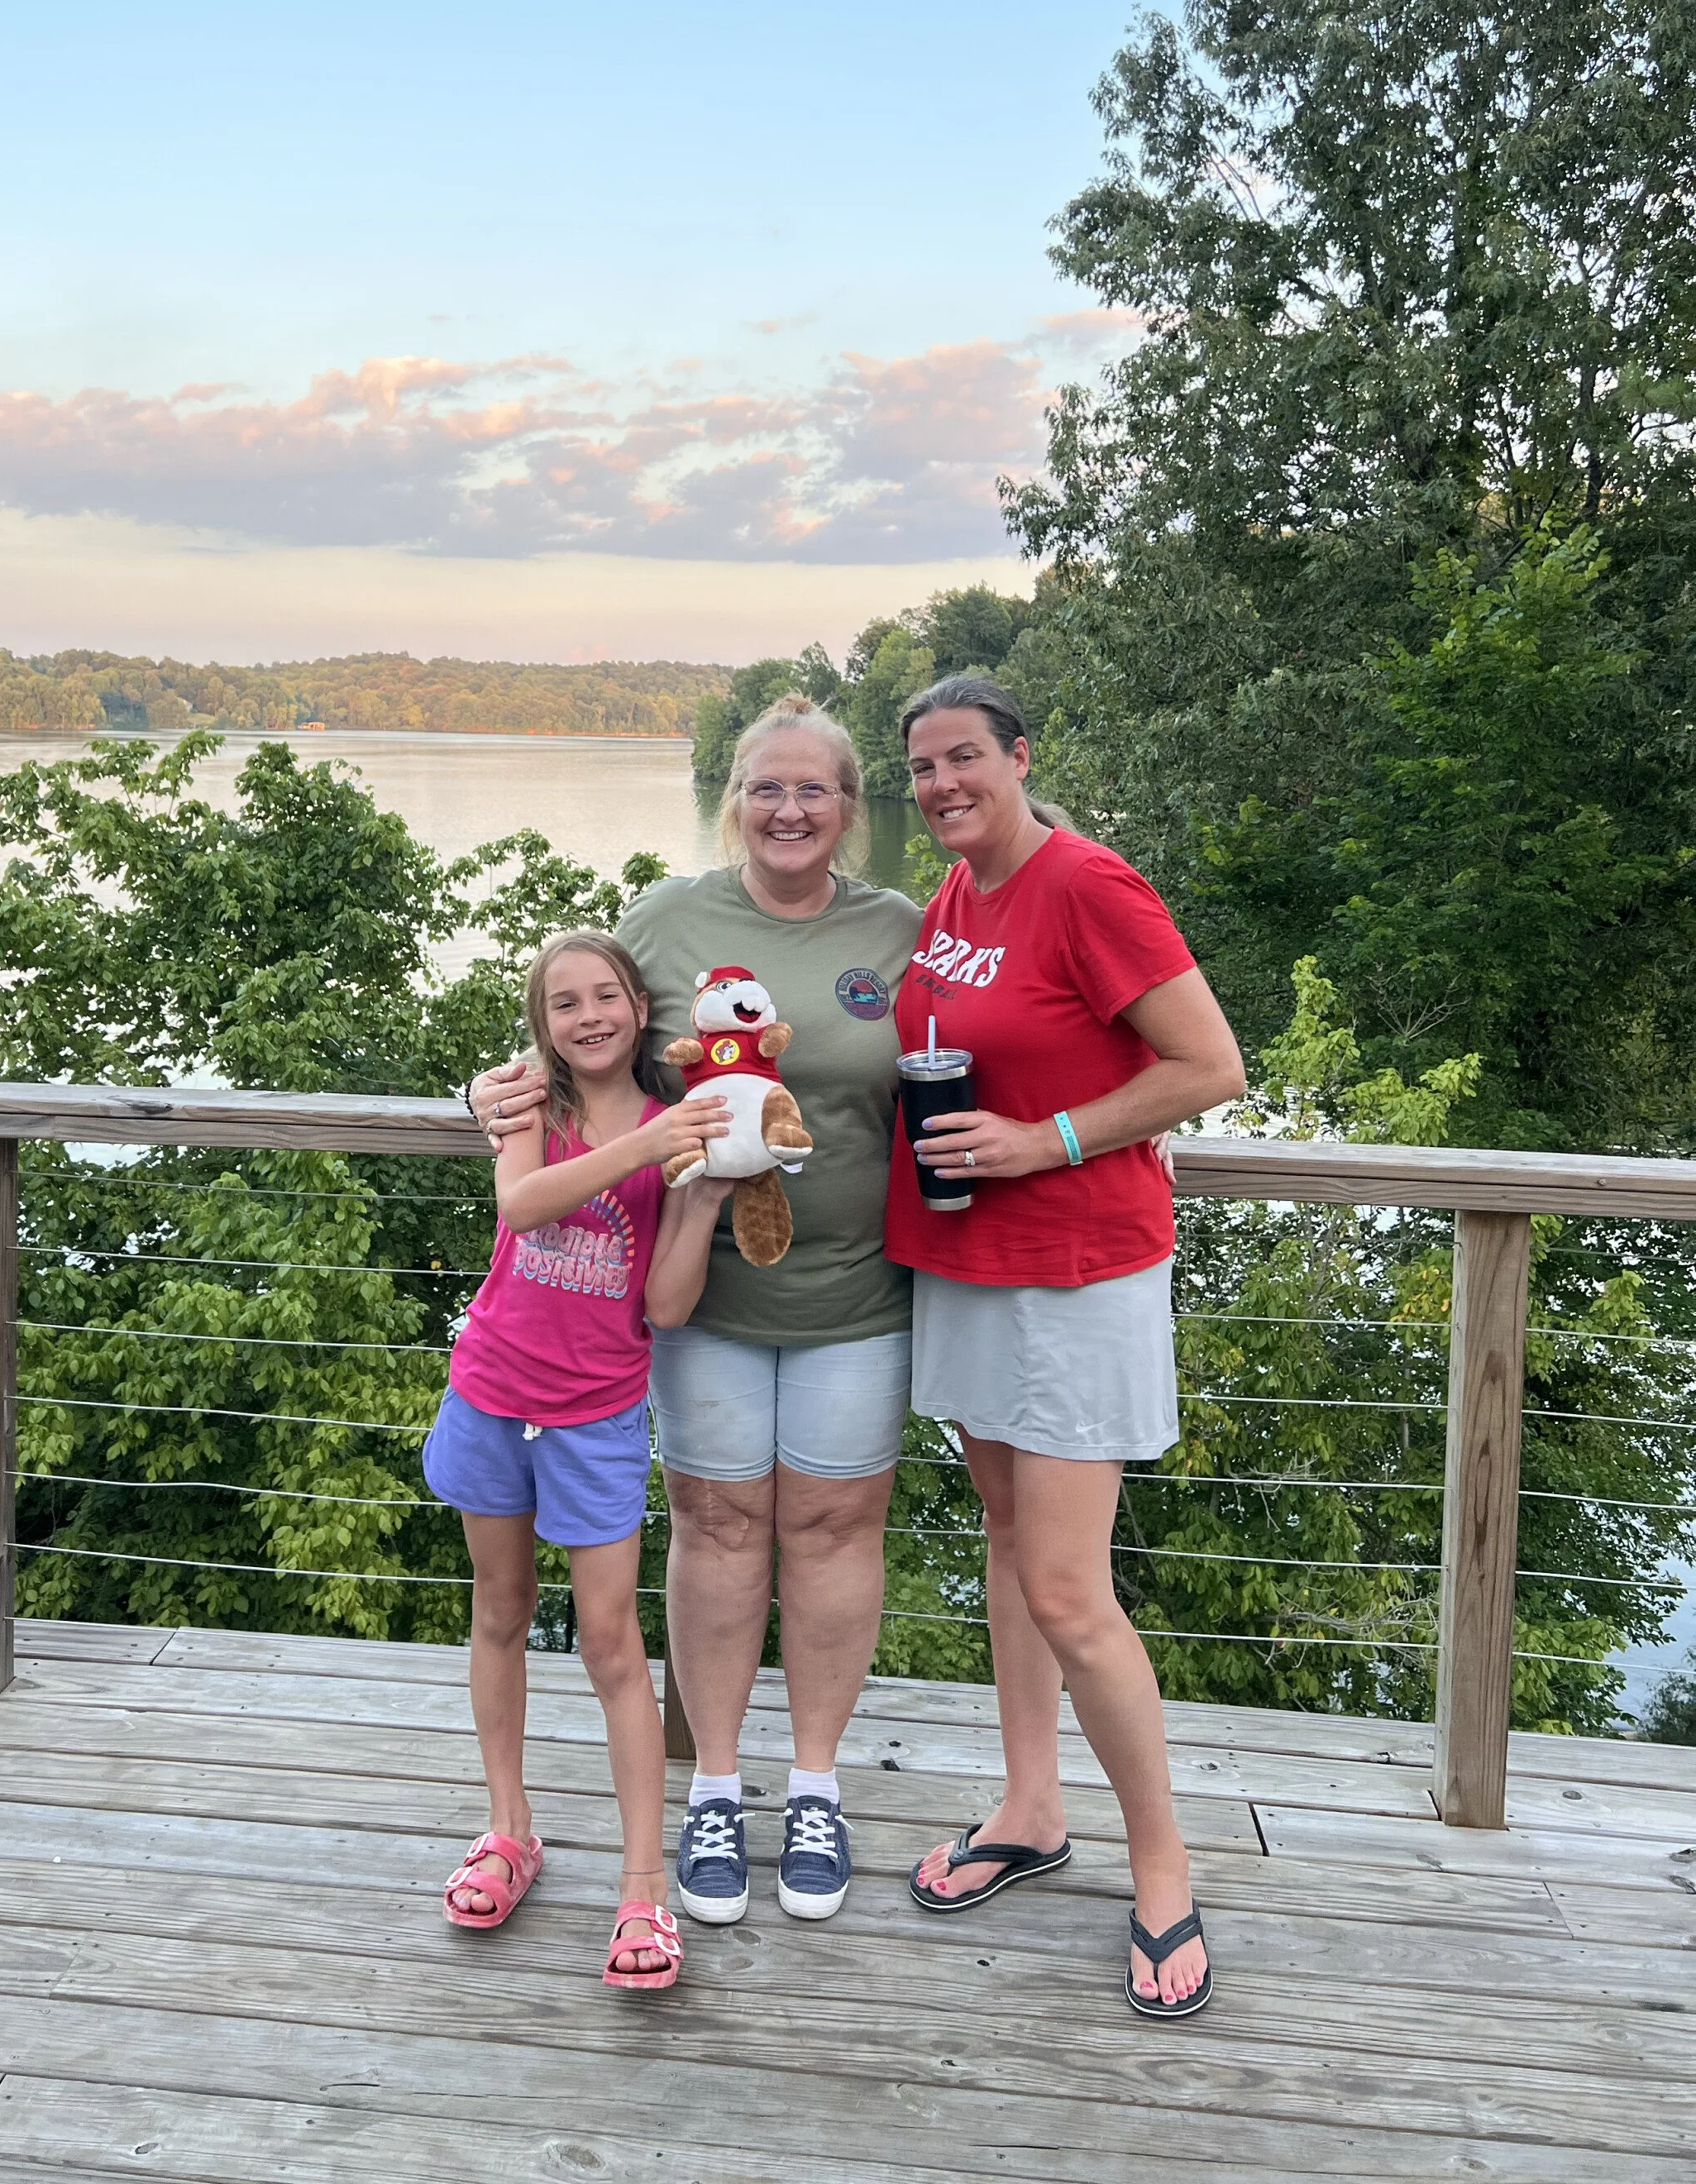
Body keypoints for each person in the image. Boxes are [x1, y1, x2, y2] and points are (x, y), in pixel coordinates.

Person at [468, 697, 921, 1927]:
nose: (789, 811)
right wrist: (494, 1093)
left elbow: (982, 1055)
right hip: (694, 1295)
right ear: (735, 800)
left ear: (848, 805)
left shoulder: (902, 929)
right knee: (719, 1527)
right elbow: (577, 1043)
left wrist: (1110, 1140)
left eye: (814, 790)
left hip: (858, 1291)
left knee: (832, 1528)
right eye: (766, 789)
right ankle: (714, 1786)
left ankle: (815, 1786)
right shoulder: (665, 920)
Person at [889, 675, 1245, 2022]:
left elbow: (1210, 1065)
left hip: (1077, 1273)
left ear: (1019, 756)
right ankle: (1031, 1809)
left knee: (1068, 1590)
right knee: (1006, 1545)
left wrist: (1047, 1141)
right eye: (922, 766)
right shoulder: (955, 900)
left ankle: (1163, 1866)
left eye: (964, 758)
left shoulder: (1088, 883)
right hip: (972, 1264)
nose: (939, 785)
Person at [425, 928, 732, 1990]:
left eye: (608, 995)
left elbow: (665, 1306)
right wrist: (653, 1152)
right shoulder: (528, 1107)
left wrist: (696, 1199)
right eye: (565, 1002)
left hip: (596, 1419)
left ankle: (644, 1885)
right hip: (490, 1395)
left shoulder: (674, 1125)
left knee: (611, 1644)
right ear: (540, 1022)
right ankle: (509, 1828)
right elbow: (521, 1203)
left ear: (641, 1008)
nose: (589, 1015)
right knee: (498, 1611)